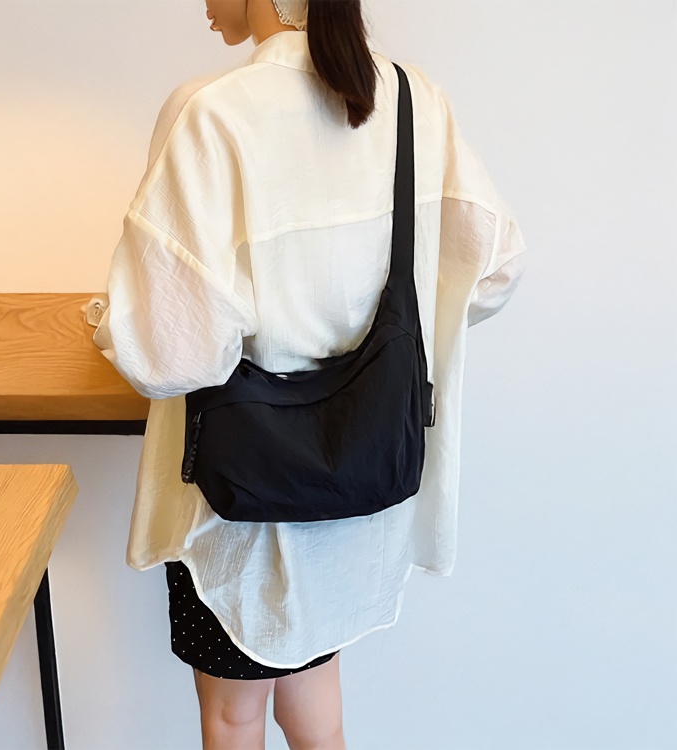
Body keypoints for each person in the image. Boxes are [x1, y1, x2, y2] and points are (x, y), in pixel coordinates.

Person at [91, 0, 528, 747]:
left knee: (233, 715)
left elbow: (174, 353)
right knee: (316, 712)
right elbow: (493, 271)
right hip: (359, 490)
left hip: (242, 503)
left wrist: (108, 325)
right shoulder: (411, 99)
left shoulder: (210, 113)